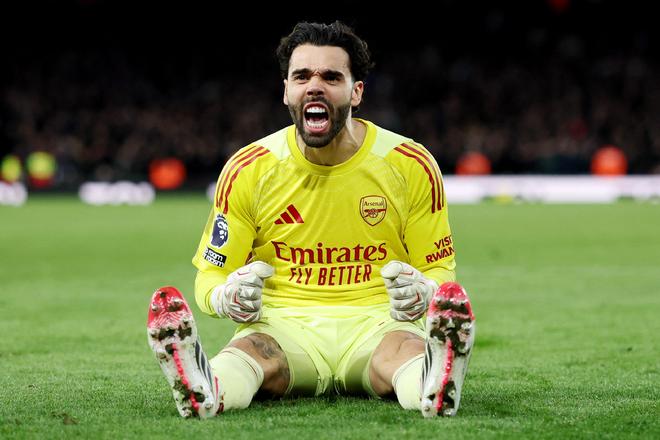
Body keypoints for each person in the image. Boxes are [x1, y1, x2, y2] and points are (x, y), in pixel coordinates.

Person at [147, 20, 475, 419]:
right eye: (302, 76)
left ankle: (434, 387)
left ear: (356, 92)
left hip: (380, 322)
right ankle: (205, 388)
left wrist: (426, 290)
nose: (314, 86)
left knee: (404, 354)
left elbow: (439, 269)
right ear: (286, 90)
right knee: (251, 355)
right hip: (282, 324)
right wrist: (225, 297)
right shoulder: (249, 169)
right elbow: (210, 276)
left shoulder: (410, 165)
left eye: (331, 77)